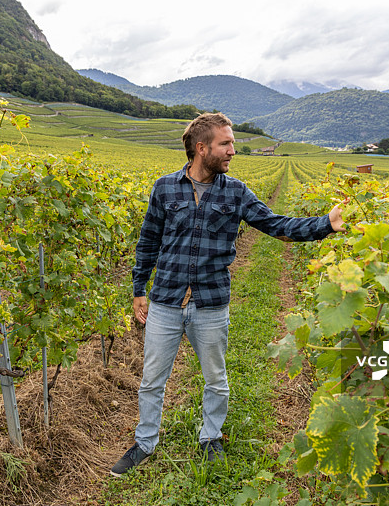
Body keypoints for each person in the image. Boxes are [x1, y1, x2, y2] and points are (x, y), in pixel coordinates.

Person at [110, 112, 346, 477]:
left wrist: (325, 225)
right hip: (166, 301)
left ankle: (210, 437)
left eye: (232, 143)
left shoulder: (235, 192)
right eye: (226, 143)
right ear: (201, 148)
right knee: (152, 380)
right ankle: (145, 442)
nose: (233, 150)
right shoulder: (164, 188)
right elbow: (148, 241)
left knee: (215, 379)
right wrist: (139, 288)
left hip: (210, 303)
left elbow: (277, 227)